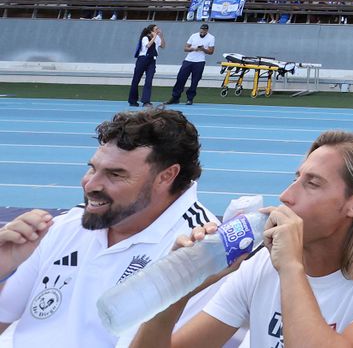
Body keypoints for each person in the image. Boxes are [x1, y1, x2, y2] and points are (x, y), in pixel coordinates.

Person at [131, 130, 353, 347]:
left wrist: (291, 268)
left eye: (312, 183)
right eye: (295, 178)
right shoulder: (260, 267)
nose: (286, 196)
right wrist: (178, 290)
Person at [0, 108, 215, 346]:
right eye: (92, 168)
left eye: (115, 174)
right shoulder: (66, 226)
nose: (90, 184)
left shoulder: (200, 250)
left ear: (166, 176)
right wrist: (3, 267)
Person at [167, 23, 216, 107]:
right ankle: (175, 97)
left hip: (200, 61)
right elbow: (185, 48)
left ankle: (190, 98)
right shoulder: (194, 36)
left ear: (207, 30)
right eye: (202, 29)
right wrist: (193, 48)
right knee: (180, 78)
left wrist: (203, 49)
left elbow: (211, 51)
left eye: (205, 30)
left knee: (195, 81)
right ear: (200, 29)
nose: (203, 31)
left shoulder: (211, 37)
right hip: (189, 60)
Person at [129, 24, 163, 108]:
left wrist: (161, 36)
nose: (157, 30)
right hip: (143, 59)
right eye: (156, 29)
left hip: (152, 60)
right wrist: (154, 37)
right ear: (151, 31)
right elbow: (148, 46)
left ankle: (146, 101)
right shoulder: (145, 38)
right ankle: (132, 100)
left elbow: (163, 46)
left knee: (149, 80)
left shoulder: (157, 38)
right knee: (136, 80)